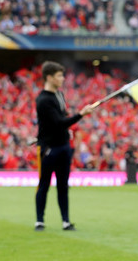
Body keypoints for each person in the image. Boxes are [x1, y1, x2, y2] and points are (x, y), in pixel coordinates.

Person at [34, 61, 94, 231]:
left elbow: (62, 118)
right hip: (48, 149)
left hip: (63, 147)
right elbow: (59, 123)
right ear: (49, 77)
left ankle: (65, 221)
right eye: (59, 75)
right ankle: (39, 220)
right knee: (44, 184)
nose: (62, 79)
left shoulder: (59, 95)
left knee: (63, 185)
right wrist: (81, 114)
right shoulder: (43, 99)